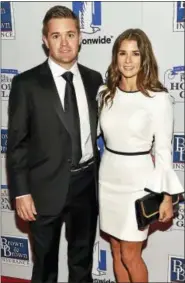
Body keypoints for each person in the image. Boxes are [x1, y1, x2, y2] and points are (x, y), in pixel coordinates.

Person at [7, 5, 103, 283]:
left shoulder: (94, 79)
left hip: (86, 185)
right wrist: (21, 192)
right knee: (45, 267)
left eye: (70, 34)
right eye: (56, 35)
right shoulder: (26, 84)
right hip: (43, 190)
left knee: (82, 263)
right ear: (45, 40)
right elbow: (17, 144)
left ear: (80, 37)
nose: (64, 43)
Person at [97, 28, 183, 283]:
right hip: (108, 178)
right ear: (115, 58)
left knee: (130, 254)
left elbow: (164, 151)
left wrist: (167, 196)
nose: (128, 60)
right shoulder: (105, 93)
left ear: (144, 57)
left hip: (138, 182)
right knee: (115, 250)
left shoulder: (158, 98)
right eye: (122, 53)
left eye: (135, 53)